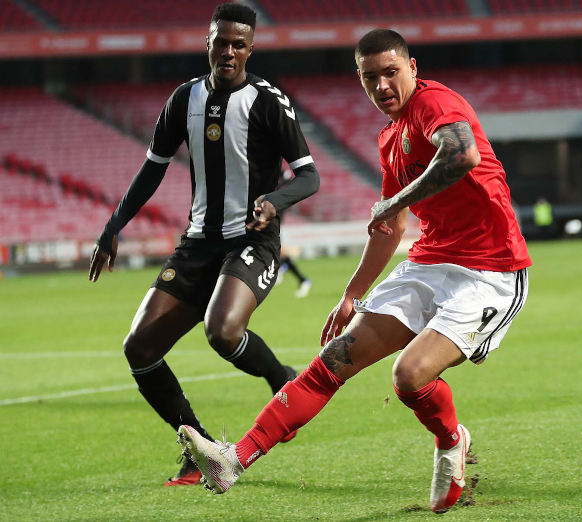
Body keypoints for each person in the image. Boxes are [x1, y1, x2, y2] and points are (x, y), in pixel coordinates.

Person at [177, 28, 532, 514]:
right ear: (359, 80)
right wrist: (352, 294)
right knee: (332, 361)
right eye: (370, 78)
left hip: (490, 269)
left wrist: (396, 200)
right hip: (429, 261)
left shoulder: (434, 103)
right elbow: (389, 228)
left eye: (391, 72)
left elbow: (460, 154)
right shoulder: (390, 139)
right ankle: (233, 460)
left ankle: (451, 443)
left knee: (408, 376)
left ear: (412, 67)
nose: (383, 85)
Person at [88, 3, 320, 486]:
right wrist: (114, 225)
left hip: (252, 240)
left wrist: (274, 202)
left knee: (221, 331)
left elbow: (309, 176)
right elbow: (153, 167)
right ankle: (200, 449)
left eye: (239, 44)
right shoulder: (183, 99)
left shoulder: (267, 101)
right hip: (197, 244)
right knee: (139, 346)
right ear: (207, 43)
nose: (229, 52)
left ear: (250, 48)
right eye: (221, 42)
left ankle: (280, 378)